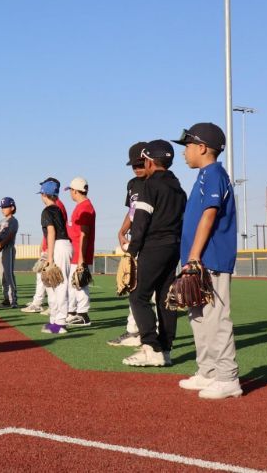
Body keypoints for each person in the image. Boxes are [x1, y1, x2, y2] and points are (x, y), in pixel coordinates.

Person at [174, 123, 242, 399]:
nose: (184, 152)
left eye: (188, 146)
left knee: (216, 318)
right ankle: (208, 371)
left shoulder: (214, 174)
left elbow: (209, 215)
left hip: (209, 258)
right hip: (199, 259)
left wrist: (193, 256)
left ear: (202, 148)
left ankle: (228, 378)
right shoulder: (204, 175)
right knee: (199, 317)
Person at [122, 140, 186, 367]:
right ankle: (166, 350)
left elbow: (140, 222)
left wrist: (131, 252)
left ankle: (151, 347)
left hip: (154, 246)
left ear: (149, 161)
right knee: (165, 298)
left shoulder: (149, 186)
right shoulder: (179, 188)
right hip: (174, 247)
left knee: (137, 296)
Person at [108, 142, 150, 347]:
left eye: (140, 163)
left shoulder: (155, 182)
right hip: (136, 239)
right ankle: (134, 330)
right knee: (134, 285)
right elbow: (132, 211)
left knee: (149, 290)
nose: (137, 168)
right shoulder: (132, 184)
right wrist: (122, 230)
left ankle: (148, 333)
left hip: (152, 241)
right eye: (134, 164)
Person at [21, 178, 66, 314]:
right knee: (45, 277)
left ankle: (55, 311)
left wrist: (48, 253)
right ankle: (42, 303)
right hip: (55, 245)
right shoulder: (56, 206)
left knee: (51, 279)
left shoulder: (54, 208)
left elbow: (53, 231)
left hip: (55, 246)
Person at [38, 179, 73, 334]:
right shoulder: (57, 208)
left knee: (58, 284)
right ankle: (54, 320)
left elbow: (51, 232)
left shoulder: (47, 211)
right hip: (62, 245)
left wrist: (49, 257)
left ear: (44, 194)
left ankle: (60, 323)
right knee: (51, 284)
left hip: (58, 246)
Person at [65, 178, 96, 327]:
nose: (70, 193)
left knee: (80, 283)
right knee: (73, 285)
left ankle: (83, 315)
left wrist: (81, 258)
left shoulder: (85, 207)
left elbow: (84, 234)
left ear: (75, 191)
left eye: (70, 190)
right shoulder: (80, 206)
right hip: (75, 253)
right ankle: (72, 313)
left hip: (80, 253)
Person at [0, 197, 19, 308]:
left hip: (8, 249)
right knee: (2, 276)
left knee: (8, 275)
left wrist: (0, 245)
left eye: (5, 207)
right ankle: (6, 299)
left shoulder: (13, 221)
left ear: (12, 207)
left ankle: (13, 299)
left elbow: (10, 235)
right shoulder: (1, 221)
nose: (3, 209)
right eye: (2, 207)